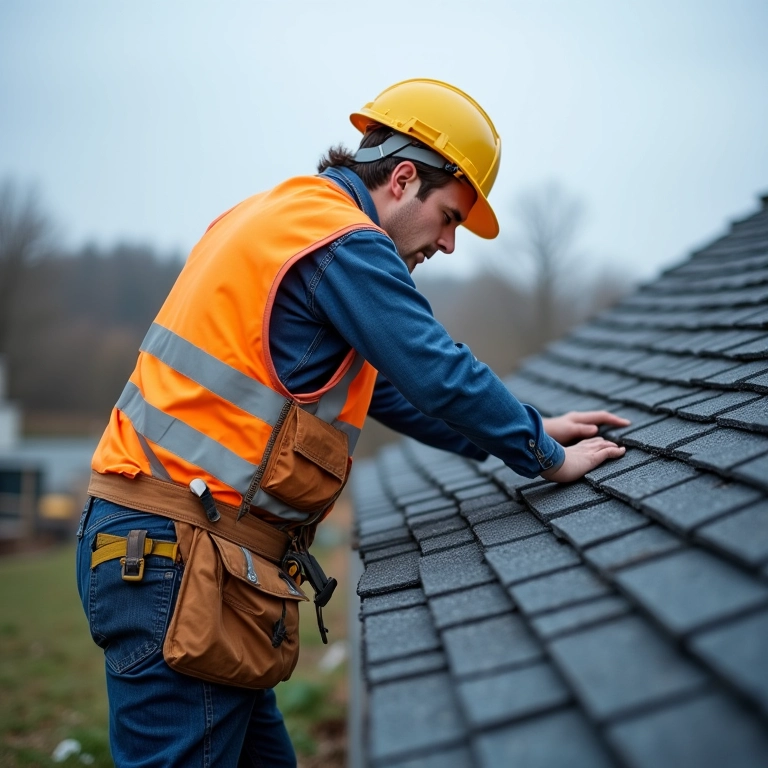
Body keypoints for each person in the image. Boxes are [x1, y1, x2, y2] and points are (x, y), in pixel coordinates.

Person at [75, 78, 627, 767]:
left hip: (181, 556)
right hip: (181, 560)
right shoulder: (342, 239)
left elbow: (396, 392)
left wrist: (536, 423)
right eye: (451, 216)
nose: (450, 246)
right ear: (402, 179)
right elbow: (435, 370)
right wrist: (544, 455)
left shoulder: (274, 214)